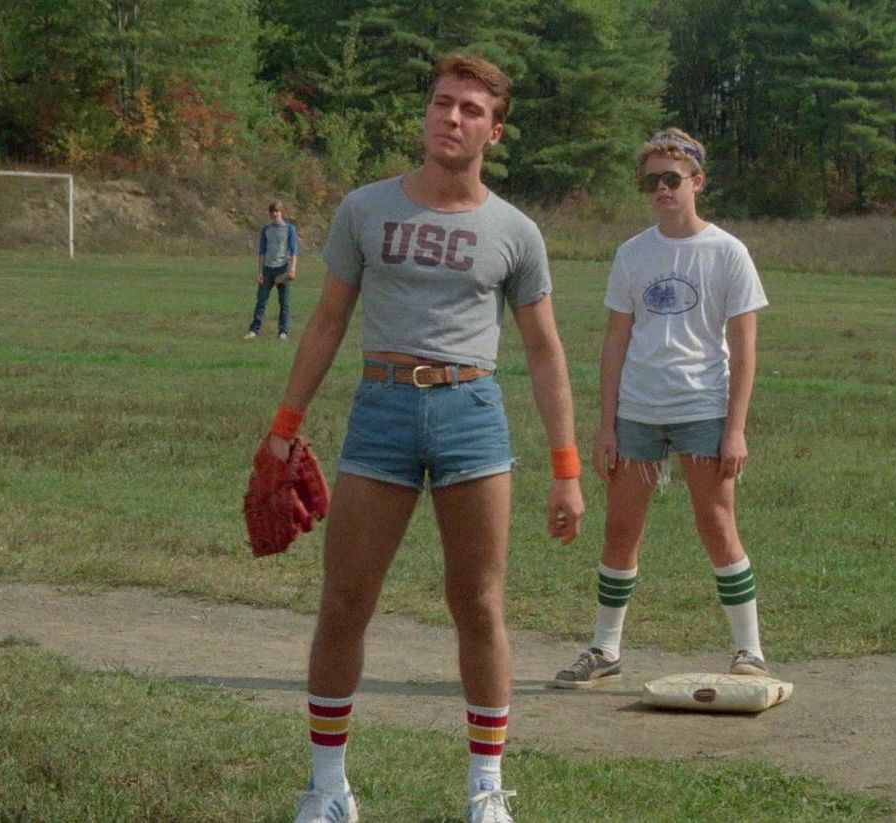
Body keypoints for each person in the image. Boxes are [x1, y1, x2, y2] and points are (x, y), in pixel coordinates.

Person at [261, 54, 585, 823]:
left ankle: (485, 790)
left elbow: (544, 350)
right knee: (344, 601)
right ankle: (328, 787)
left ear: (495, 131)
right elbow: (328, 320)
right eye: (443, 103)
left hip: (472, 412)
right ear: (425, 115)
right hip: (382, 409)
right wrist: (284, 426)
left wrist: (567, 467)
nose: (453, 118)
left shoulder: (515, 229)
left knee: (478, 603)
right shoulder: (365, 209)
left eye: (472, 110)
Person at [551, 128, 770, 690]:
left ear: (697, 182)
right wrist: (605, 426)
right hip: (638, 412)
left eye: (671, 179)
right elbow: (615, 342)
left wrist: (735, 429)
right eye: (650, 181)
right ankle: (604, 648)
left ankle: (748, 651)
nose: (661, 190)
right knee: (621, 529)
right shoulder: (633, 253)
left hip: (702, 406)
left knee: (717, 524)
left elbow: (744, 346)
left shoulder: (727, 252)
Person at [245, 200, 299, 340]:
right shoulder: (265, 229)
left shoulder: (289, 229)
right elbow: (262, 251)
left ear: (281, 212)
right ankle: (254, 330)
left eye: (277, 211)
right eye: (272, 212)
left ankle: (283, 331)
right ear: (269, 213)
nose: (275, 214)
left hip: (283, 268)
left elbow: (294, 251)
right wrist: (260, 272)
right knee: (261, 301)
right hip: (267, 269)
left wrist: (292, 269)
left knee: (284, 303)